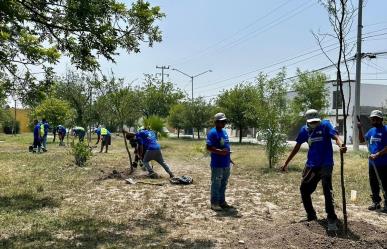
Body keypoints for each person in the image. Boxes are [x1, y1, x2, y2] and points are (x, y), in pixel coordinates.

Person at [281, 109, 347, 231]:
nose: (314, 123)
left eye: (316, 121)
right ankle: (311, 215)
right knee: (304, 189)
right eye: (312, 122)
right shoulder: (304, 130)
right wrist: (286, 162)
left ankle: (331, 219)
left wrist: (341, 145)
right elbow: (296, 147)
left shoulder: (325, 125)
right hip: (311, 164)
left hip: (326, 163)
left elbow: (335, 136)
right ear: (307, 121)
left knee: (327, 189)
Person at [358, 110, 387, 213]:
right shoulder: (371, 131)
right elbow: (362, 140)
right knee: (373, 183)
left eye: (376, 118)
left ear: (381, 119)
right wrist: (360, 129)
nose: (374, 120)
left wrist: (377, 154)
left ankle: (386, 204)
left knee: (385, 183)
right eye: (372, 118)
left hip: (384, 163)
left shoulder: (386, 130)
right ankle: (376, 202)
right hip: (372, 164)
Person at [206, 112, 235, 211]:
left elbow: (225, 146)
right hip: (217, 164)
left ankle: (222, 202)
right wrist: (220, 152)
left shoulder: (224, 132)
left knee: (223, 183)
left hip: (226, 163)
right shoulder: (212, 132)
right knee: (216, 183)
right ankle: (214, 203)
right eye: (222, 121)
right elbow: (208, 147)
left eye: (225, 121)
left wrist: (229, 158)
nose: (224, 123)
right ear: (216, 122)